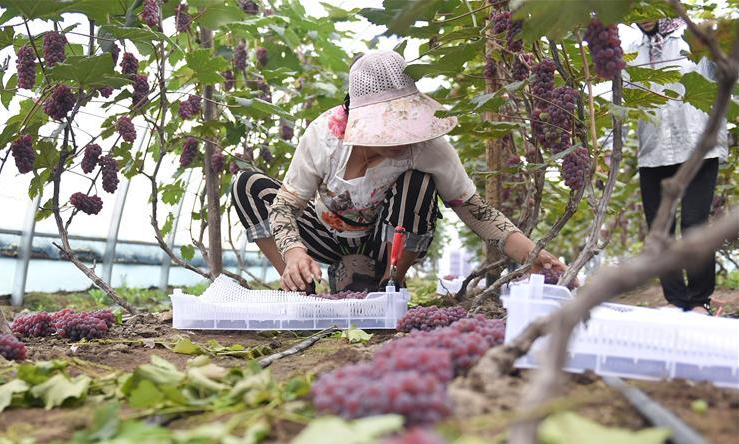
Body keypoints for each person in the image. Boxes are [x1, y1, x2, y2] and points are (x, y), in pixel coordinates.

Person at [231, 51, 566, 293]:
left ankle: (388, 285)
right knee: (247, 185)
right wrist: (294, 252)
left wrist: (532, 255)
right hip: (325, 237)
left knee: (417, 182)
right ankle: (298, 284)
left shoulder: (428, 148)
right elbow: (285, 207)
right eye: (387, 126)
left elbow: (477, 211)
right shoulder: (325, 136)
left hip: (385, 244)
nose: (400, 137)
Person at [628, 19, 728, 313]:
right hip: (653, 150)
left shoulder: (693, 39)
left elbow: (726, 76)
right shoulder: (631, 51)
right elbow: (625, 101)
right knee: (660, 229)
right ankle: (675, 299)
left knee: (694, 224)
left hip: (698, 148)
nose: (645, 15)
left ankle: (699, 300)